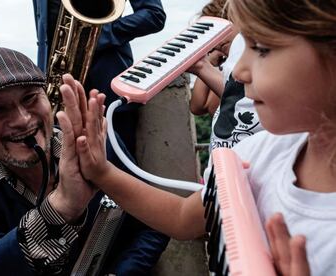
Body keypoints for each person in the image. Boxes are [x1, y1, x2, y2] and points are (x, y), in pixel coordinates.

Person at [60, 0, 336, 274]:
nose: (238, 72)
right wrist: (101, 171)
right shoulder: (260, 152)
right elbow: (182, 217)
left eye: (261, 49)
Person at [0, 47, 168, 275]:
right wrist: (59, 209)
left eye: (29, 98)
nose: (23, 119)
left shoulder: (98, 144)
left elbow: (153, 223)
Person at [32, 0, 166, 156]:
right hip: (59, 88)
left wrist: (97, 36)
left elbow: (154, 15)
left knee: (120, 168)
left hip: (107, 84)